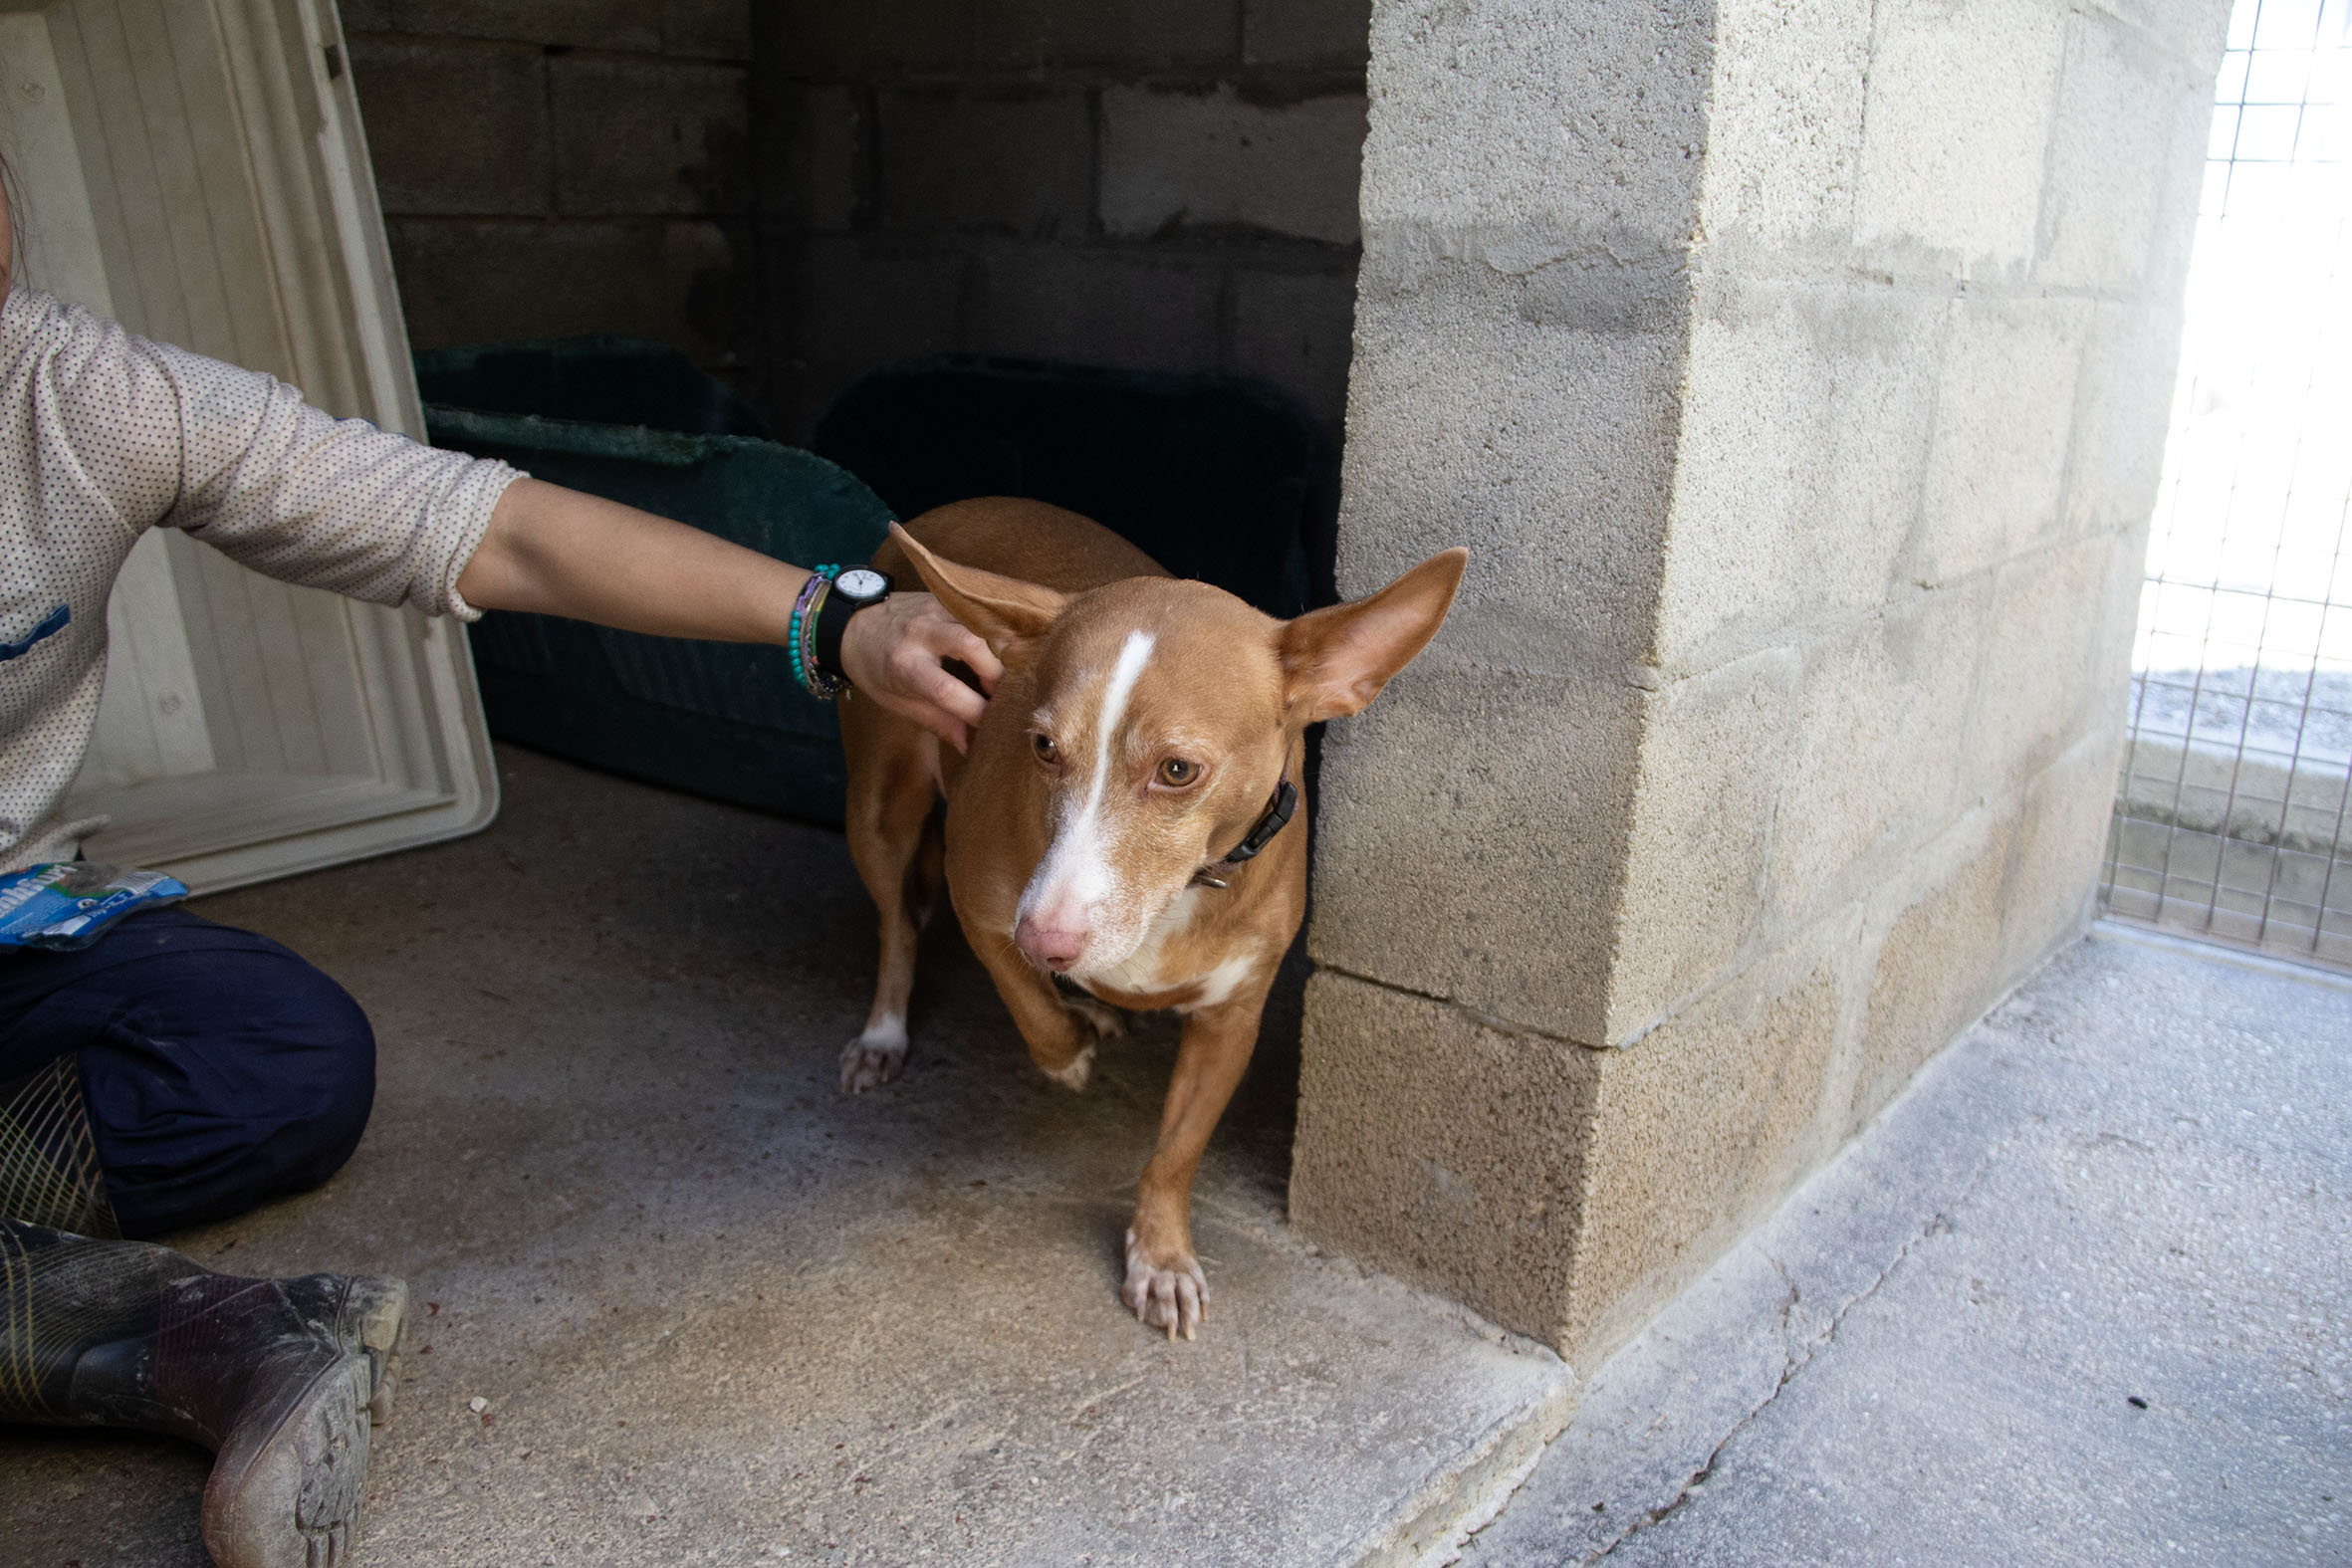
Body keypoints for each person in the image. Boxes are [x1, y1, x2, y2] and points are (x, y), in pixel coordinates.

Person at [0, 175, 1000, 1568]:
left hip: (14, 917)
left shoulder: (77, 396)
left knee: (284, 1059)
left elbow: (488, 526)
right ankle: (199, 1339)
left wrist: (839, 621)